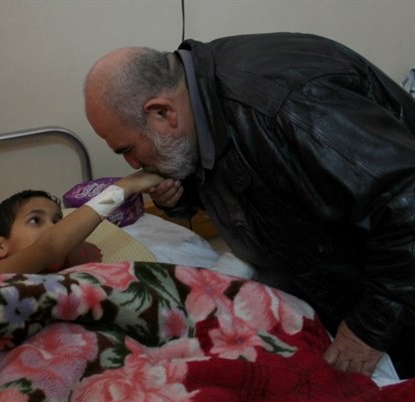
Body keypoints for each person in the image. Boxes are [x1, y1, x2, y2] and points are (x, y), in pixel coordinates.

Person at [83, 32, 415, 379]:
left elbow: (406, 207)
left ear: (162, 112)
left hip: (395, 293)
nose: (134, 165)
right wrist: (183, 196)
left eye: (128, 149)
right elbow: (251, 176)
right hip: (328, 285)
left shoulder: (283, 106)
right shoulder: (198, 95)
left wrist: (368, 329)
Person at [0, 171, 162, 275]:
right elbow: (51, 245)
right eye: (36, 220)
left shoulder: (75, 273)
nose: (53, 228)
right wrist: (125, 187)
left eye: (58, 221)